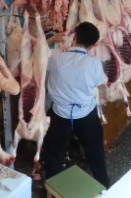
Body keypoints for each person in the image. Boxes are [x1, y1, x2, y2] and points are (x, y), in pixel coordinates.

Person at [42, 21, 109, 187]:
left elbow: (38, 51)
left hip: (60, 115)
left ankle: (52, 191)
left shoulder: (57, 57)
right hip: (86, 115)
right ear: (92, 45)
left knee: (53, 154)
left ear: (75, 37)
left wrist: (52, 39)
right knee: (95, 152)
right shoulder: (93, 62)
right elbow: (100, 83)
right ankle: (104, 187)